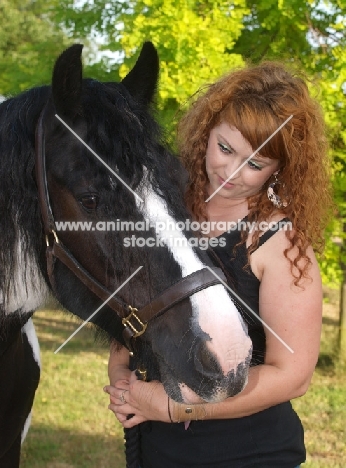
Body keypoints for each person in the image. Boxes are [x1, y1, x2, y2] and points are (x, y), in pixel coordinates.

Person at [103, 61, 333, 467]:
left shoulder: (279, 243)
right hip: (155, 450)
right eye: (225, 148)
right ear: (207, 131)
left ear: (281, 170)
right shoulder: (166, 212)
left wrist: (178, 408)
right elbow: (134, 319)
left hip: (249, 454)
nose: (231, 172)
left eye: (256, 164)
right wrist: (121, 376)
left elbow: (293, 375)